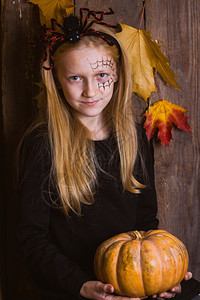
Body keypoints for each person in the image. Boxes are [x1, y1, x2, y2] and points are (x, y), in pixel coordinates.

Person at [17, 9, 192, 300]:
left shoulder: (134, 137)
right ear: (57, 80)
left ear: (117, 75)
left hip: (130, 282)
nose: (90, 90)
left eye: (101, 75)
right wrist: (81, 285)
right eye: (75, 77)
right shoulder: (42, 144)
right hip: (72, 287)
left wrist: (161, 273)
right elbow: (30, 239)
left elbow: (145, 223)